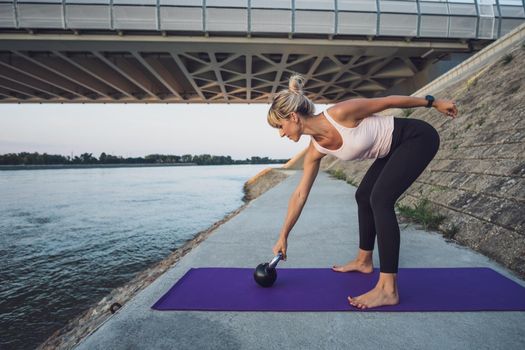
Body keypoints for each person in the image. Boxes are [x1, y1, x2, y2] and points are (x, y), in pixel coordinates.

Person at [266, 73, 458, 309]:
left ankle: (389, 289)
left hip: (417, 137)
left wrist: (434, 102)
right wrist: (283, 235)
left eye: (280, 126)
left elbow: (389, 101)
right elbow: (299, 194)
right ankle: (363, 260)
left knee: (380, 199)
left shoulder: (340, 113)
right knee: (364, 196)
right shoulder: (315, 150)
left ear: (293, 117)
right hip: (392, 149)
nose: (281, 133)